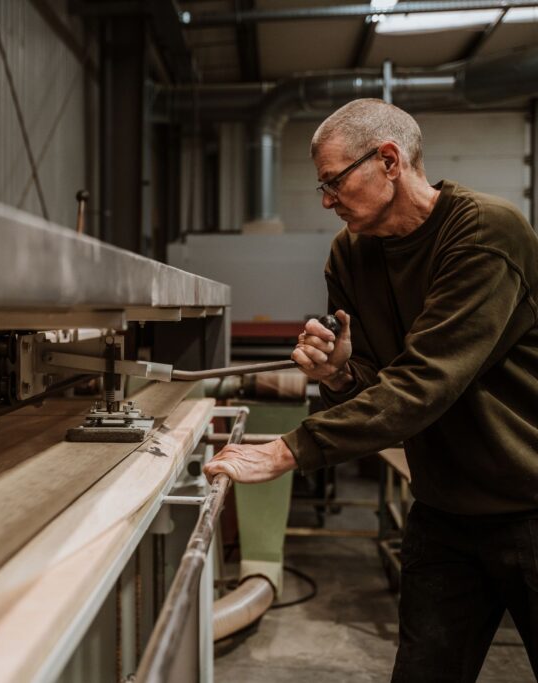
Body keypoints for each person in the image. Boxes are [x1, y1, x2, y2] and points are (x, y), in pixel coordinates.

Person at [204, 98, 538, 681]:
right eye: (322, 188)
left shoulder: (485, 232)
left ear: (389, 160)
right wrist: (337, 373)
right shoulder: (350, 254)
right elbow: (377, 387)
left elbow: (424, 384)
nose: (328, 201)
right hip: (443, 513)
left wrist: (290, 450)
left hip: (529, 505)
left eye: (334, 182)